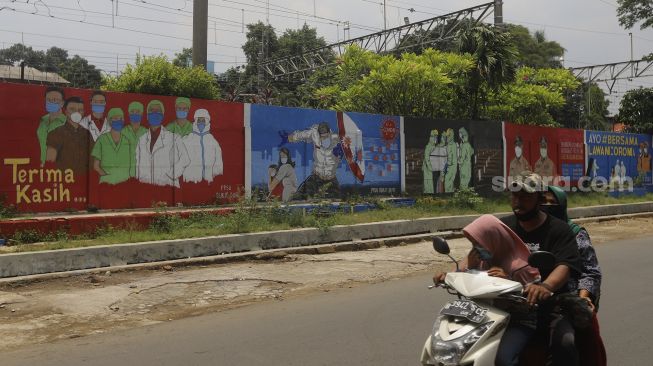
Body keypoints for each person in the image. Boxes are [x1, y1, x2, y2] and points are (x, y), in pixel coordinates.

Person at [433, 214, 540, 366]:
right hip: (482, 316)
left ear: (493, 239)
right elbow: (456, 274)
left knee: (503, 359)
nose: (476, 247)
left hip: (518, 320)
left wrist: (509, 281)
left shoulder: (521, 266)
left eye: (479, 242)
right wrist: (445, 277)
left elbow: (531, 300)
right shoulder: (477, 257)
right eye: (473, 243)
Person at [501, 171, 581, 366]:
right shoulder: (503, 226)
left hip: (551, 306)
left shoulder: (559, 230)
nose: (518, 201)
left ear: (540, 199)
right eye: (515, 195)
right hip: (509, 304)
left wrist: (545, 286)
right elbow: (482, 252)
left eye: (526, 196)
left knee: (565, 343)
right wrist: (454, 271)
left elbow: (564, 265)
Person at [540, 186, 606, 366]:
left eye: (553, 202)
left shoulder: (576, 233)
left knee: (575, 341)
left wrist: (582, 297)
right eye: (543, 201)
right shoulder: (531, 230)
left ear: (562, 205)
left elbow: (590, 271)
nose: (547, 206)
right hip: (532, 296)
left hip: (568, 297)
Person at [135, 100, 190, 187]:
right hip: (145, 187)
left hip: (167, 186)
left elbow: (185, 159)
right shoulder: (141, 139)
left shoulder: (174, 138)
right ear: (147, 116)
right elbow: (137, 163)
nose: (154, 113)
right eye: (151, 111)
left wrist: (171, 175)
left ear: (162, 115)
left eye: (158, 111)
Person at [283, 122, 343, 198]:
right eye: (322, 137)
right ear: (319, 134)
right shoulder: (314, 134)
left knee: (338, 198)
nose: (324, 139)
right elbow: (301, 135)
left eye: (326, 137)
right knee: (299, 196)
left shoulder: (336, 139)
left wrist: (340, 154)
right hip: (316, 176)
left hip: (331, 178)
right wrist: (288, 138)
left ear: (329, 133)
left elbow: (348, 150)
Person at [45, 96, 93, 174]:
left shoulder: (88, 134)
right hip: (65, 179)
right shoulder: (56, 133)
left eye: (80, 110)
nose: (76, 112)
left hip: (83, 179)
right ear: (66, 112)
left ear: (83, 112)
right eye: (72, 109)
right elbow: (50, 161)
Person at [92, 108, 134, 185]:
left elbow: (131, 165)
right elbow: (96, 166)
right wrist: (107, 176)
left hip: (124, 182)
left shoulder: (126, 141)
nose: (119, 120)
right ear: (109, 121)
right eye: (115, 118)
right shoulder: (102, 140)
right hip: (107, 182)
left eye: (121, 118)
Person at [182, 109, 223, 183]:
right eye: (199, 120)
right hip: (191, 179)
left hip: (208, 179)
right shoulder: (188, 139)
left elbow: (218, 159)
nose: (201, 123)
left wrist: (215, 173)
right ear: (195, 121)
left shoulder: (212, 140)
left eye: (203, 120)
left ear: (207, 122)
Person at [37, 86, 67, 166]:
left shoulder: (67, 123)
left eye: (55, 100)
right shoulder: (42, 121)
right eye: (48, 100)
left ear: (62, 103)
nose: (51, 102)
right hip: (41, 168)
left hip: (60, 170)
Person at [443, 128, 458, 193]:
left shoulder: (449, 145)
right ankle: (451, 196)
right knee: (451, 183)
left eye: (448, 136)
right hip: (454, 166)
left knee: (447, 183)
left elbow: (450, 159)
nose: (447, 138)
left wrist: (445, 168)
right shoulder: (454, 144)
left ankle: (448, 196)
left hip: (451, 167)